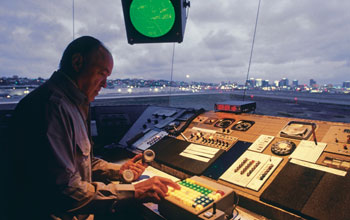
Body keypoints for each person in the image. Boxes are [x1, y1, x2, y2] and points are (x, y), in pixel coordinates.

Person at [6, 36, 179, 220]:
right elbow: (65, 193)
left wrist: (118, 170)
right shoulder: (52, 108)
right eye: (102, 73)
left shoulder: (73, 103)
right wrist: (132, 191)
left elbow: (80, 163)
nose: (105, 84)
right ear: (77, 62)